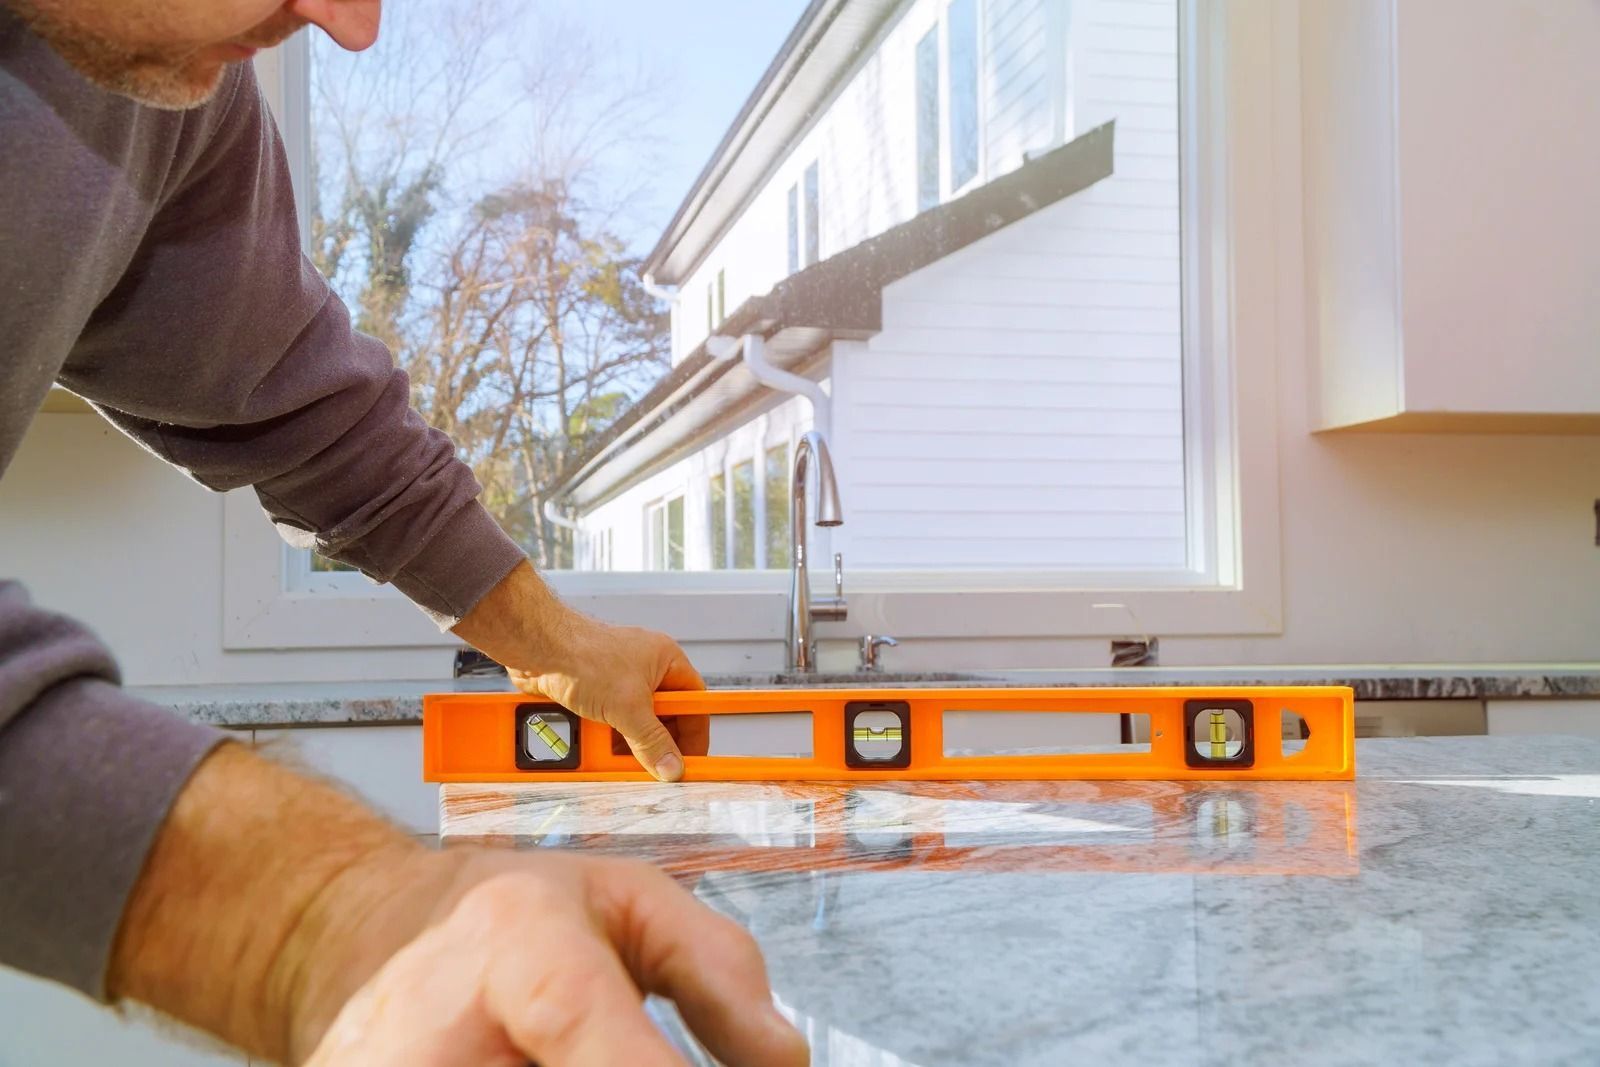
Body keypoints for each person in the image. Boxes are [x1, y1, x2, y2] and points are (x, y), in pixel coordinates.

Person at [0, 1, 806, 1063]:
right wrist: (328, 914)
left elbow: (296, 404)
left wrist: (558, 647)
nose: (350, 23)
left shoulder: (170, 95)